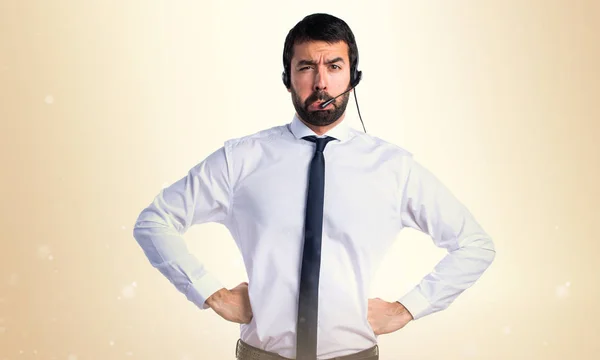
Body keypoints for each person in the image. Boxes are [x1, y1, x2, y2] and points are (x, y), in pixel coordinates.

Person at [132, 13, 496, 360]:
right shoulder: (241, 160)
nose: (321, 82)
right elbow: (155, 221)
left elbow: (474, 245)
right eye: (306, 67)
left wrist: (407, 308)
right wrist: (210, 291)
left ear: (353, 77)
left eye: (334, 66)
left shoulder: (393, 168)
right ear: (287, 78)